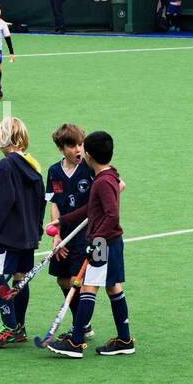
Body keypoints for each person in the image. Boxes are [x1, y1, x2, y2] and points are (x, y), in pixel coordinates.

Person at [48, 130, 136, 358]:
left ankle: (76, 342)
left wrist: (96, 240)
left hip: (103, 241)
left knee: (89, 286)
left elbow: (111, 215)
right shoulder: (107, 176)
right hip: (108, 241)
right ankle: (125, 340)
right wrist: (63, 220)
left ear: (88, 155)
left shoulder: (103, 182)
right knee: (112, 286)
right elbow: (91, 210)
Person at [0, 117, 45, 348]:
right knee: (20, 277)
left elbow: (3, 203)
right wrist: (36, 231)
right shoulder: (33, 165)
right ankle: (19, 326)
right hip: (28, 235)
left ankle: (9, 326)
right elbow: (41, 201)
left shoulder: (4, 166)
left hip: (7, 236)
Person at [46, 123, 94, 343]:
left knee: (77, 280)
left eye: (80, 144)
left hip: (84, 232)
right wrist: (56, 235)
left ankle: (79, 327)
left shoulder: (89, 168)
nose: (78, 149)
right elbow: (54, 202)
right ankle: (82, 323)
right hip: (64, 233)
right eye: (72, 145)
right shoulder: (54, 171)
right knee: (63, 281)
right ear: (61, 148)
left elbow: (114, 186)